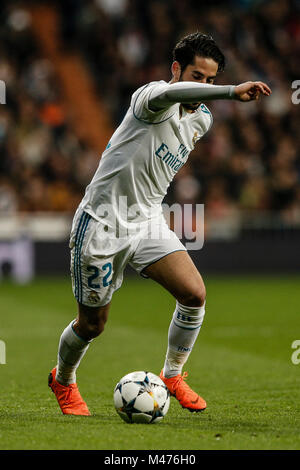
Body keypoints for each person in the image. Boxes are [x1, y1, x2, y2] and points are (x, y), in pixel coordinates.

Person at [48, 32, 271, 415]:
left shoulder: (201, 119)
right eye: (196, 77)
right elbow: (171, 96)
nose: (203, 87)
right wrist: (233, 92)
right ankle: (63, 380)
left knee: (194, 294)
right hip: (103, 222)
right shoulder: (151, 99)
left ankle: (173, 374)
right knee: (92, 325)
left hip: (147, 219)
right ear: (176, 70)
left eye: (211, 80)